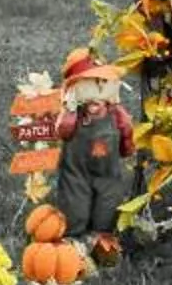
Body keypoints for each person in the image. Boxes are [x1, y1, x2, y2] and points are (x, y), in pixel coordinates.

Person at [51, 47, 136, 259]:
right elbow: (63, 131)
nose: (94, 104)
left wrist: (127, 147)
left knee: (109, 199)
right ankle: (74, 235)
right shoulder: (74, 114)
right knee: (74, 198)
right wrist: (69, 110)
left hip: (108, 170)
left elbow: (127, 131)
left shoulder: (116, 114)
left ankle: (102, 235)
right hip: (76, 168)